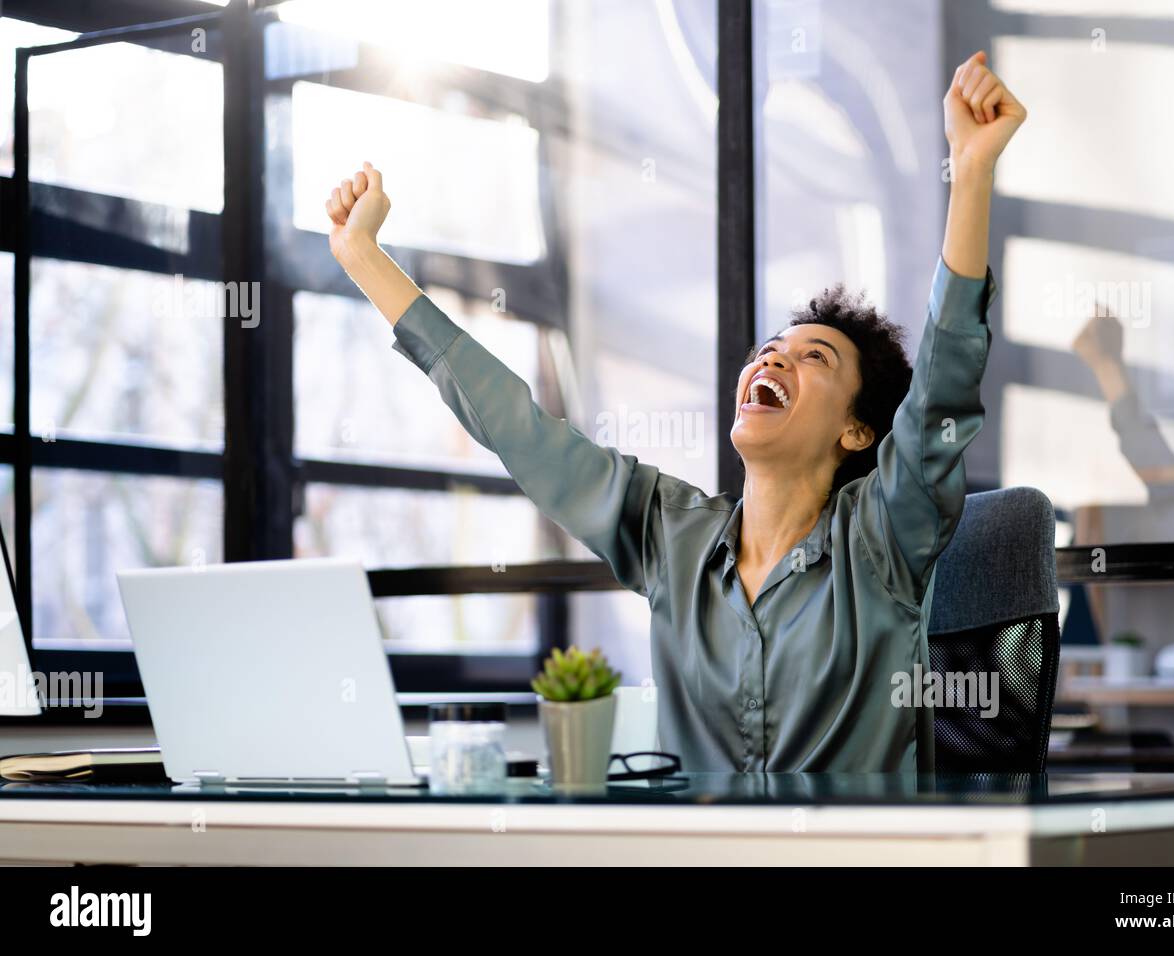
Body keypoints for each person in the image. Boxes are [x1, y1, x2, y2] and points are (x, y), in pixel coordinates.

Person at [325, 51, 1026, 773]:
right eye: (769, 350)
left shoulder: (884, 538)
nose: (771, 361)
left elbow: (943, 383)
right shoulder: (672, 537)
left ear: (857, 431)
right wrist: (364, 258)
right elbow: (519, 429)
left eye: (815, 358)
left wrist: (969, 172)